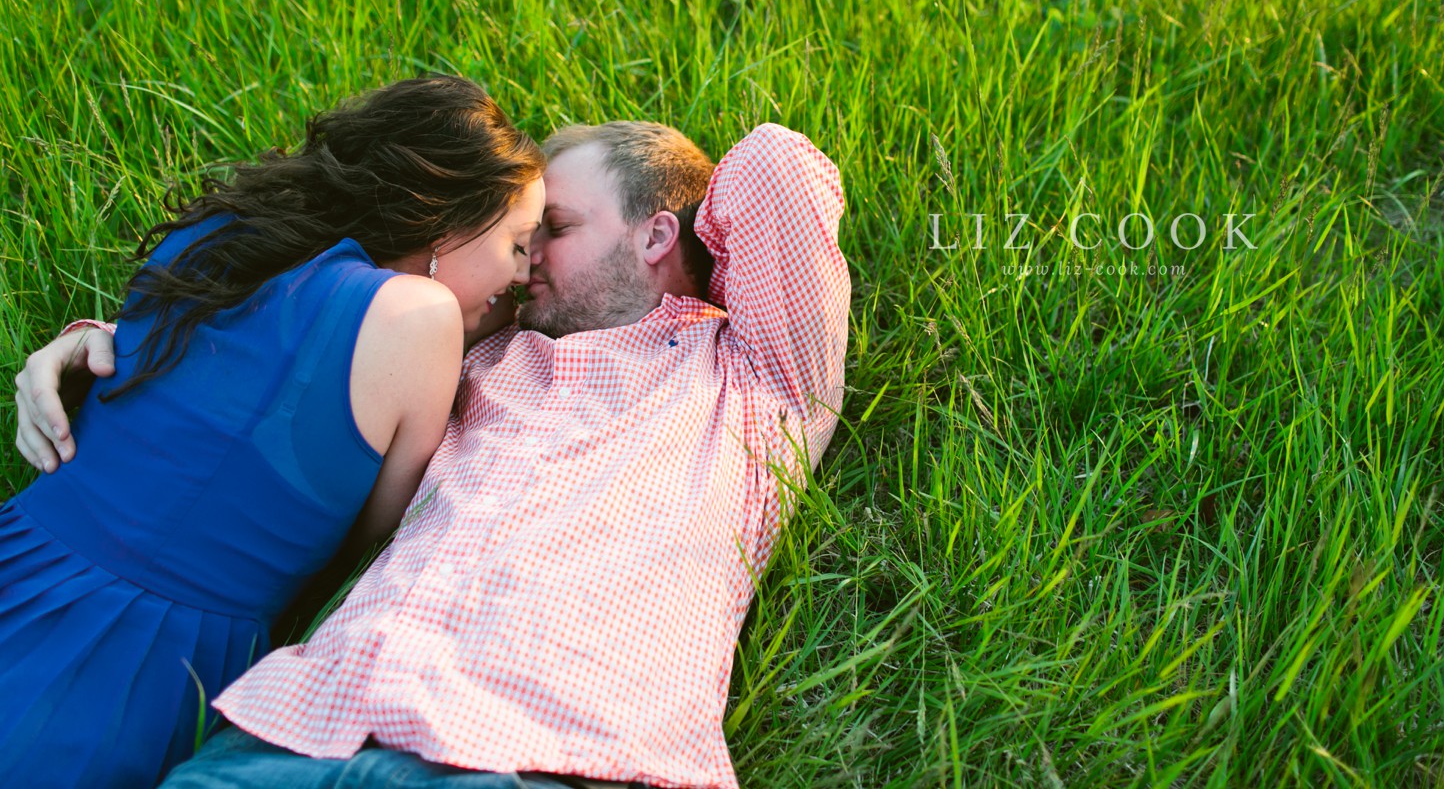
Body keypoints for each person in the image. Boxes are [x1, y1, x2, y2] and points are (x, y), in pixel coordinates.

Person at [16, 119, 849, 789]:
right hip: (294, 737)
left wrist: (697, 233)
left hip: (547, 757)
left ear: (657, 233)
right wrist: (104, 342)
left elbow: (777, 164)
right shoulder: (474, 357)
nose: (525, 267)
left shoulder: (754, 382)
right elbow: (278, 353)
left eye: (551, 231)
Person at [1, 75, 547, 789]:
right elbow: (370, 532)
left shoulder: (223, 235)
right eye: (516, 242)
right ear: (447, 224)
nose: (523, 272)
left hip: (26, 554)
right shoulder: (420, 315)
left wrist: (78, 340)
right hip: (149, 651)